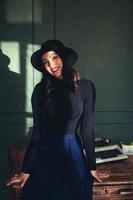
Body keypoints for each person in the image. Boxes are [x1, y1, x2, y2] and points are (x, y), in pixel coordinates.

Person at [7, 40, 108, 200]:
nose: (51, 64)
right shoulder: (40, 90)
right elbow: (38, 132)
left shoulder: (86, 87)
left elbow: (87, 130)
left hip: (72, 151)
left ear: (64, 58)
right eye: (46, 61)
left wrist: (92, 167)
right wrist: (25, 170)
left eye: (55, 57)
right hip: (45, 154)